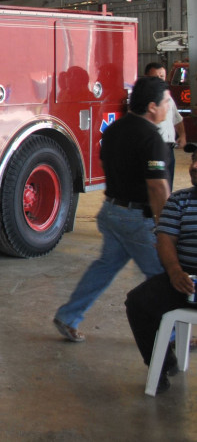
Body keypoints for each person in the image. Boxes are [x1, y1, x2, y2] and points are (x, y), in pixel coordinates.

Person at [52, 75, 171, 342]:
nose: (168, 107)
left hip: (111, 212)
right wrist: (164, 229)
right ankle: (172, 334)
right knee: (164, 276)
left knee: (104, 267)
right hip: (137, 220)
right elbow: (157, 187)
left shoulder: (114, 130)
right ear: (152, 106)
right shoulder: (151, 139)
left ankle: (69, 316)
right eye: (166, 102)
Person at [124, 141, 197, 394]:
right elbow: (166, 239)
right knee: (137, 302)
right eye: (194, 160)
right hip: (183, 279)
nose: (194, 166)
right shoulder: (179, 201)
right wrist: (175, 271)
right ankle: (162, 363)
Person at [143, 62, 186, 187]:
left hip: (169, 150)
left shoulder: (168, 98)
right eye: (155, 77)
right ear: (146, 77)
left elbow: (177, 118)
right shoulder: (143, 99)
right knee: (158, 185)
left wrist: (182, 135)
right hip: (154, 150)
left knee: (168, 184)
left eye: (162, 76)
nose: (159, 79)